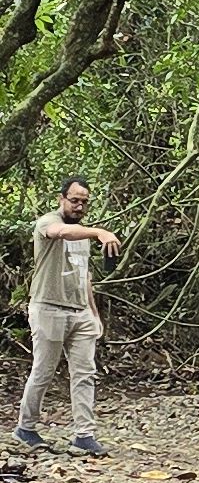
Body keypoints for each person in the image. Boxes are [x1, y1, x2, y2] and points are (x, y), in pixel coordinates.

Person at [15, 178, 120, 457]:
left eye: (84, 201)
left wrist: (94, 313)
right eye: (74, 200)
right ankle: (26, 427)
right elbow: (59, 232)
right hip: (48, 306)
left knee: (85, 373)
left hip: (80, 311)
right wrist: (99, 232)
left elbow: (83, 275)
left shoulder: (83, 234)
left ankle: (84, 435)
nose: (79, 205)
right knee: (44, 370)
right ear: (61, 198)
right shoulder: (48, 222)